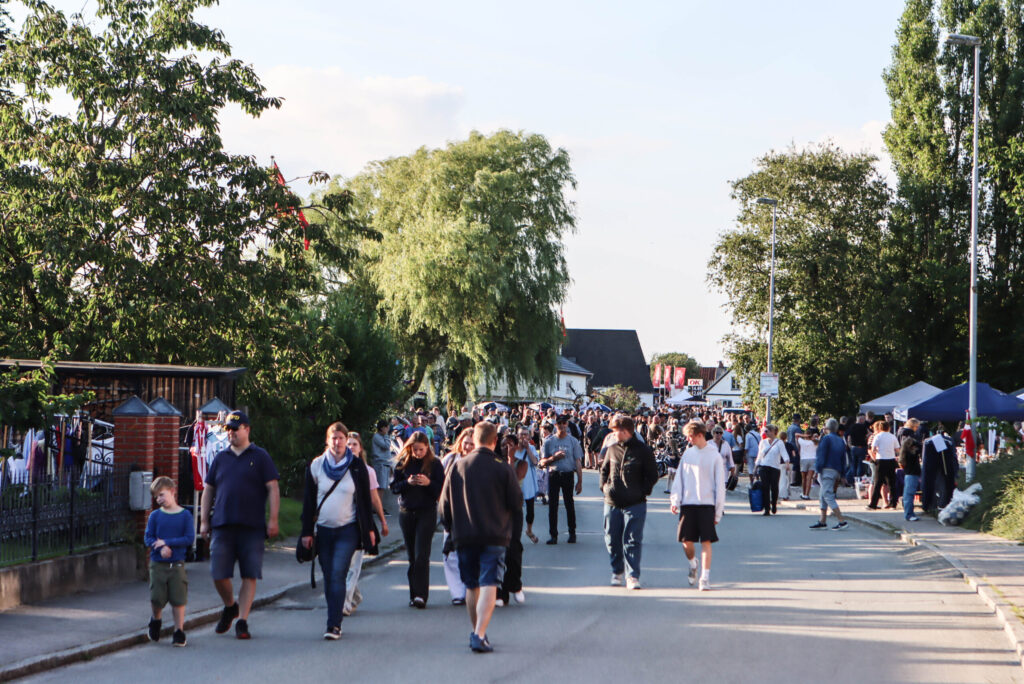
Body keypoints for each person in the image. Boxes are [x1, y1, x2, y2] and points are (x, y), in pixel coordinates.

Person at [438, 421, 523, 653]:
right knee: (489, 582)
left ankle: (476, 630)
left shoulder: (458, 466)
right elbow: (516, 502)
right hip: (494, 534)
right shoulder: (502, 467)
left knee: (471, 585)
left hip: (464, 535)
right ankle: (480, 633)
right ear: (495, 441)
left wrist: (450, 528)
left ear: (474, 439)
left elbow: (444, 505)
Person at [200, 410, 280, 640]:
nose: (231, 433)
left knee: (249, 574)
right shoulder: (221, 458)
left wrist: (273, 519)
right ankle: (230, 605)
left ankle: (242, 621)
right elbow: (209, 489)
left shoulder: (260, 456)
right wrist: (204, 521)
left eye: (235, 429)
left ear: (247, 429)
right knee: (218, 572)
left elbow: (273, 488)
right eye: (228, 429)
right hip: (223, 524)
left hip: (252, 526)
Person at [299, 422, 379, 640]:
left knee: (338, 573)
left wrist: (370, 529)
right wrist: (307, 531)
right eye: (333, 438)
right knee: (328, 575)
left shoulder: (355, 466)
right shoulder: (316, 465)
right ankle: (334, 614)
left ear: (346, 441)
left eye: (341, 438)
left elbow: (363, 501)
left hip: (348, 530)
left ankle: (333, 624)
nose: (337, 442)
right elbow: (308, 501)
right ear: (327, 441)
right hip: (323, 530)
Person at [599, 415, 659, 589]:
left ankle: (632, 575)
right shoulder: (611, 449)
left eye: (615, 431)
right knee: (612, 538)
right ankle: (616, 570)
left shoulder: (643, 451)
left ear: (625, 431)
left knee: (632, 539)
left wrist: (643, 491)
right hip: (612, 501)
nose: (613, 434)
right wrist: (604, 487)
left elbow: (653, 475)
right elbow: (604, 471)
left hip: (635, 503)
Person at [391, 431, 445, 608]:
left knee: (422, 554)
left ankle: (421, 595)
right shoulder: (403, 463)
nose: (418, 453)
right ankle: (413, 594)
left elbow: (441, 488)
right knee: (412, 557)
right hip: (407, 512)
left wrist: (428, 483)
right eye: (415, 450)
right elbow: (394, 488)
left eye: (421, 450)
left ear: (427, 448)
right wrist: (408, 482)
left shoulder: (435, 464)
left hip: (426, 512)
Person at [670, 420, 725, 591]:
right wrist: (675, 499)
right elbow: (679, 478)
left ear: (699, 435)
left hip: (707, 504)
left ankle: (705, 578)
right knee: (686, 542)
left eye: (690, 437)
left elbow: (720, 485)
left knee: (706, 542)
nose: (688, 440)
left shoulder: (714, 455)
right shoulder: (688, 454)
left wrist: (718, 511)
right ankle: (693, 563)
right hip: (688, 502)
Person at [342, 432, 389, 616]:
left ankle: (344, 603)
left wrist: (383, 522)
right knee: (343, 565)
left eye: (355, 444)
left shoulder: (367, 471)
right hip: (341, 522)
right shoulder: (337, 468)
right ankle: (354, 596)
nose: (351, 447)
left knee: (353, 565)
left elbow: (375, 499)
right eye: (349, 444)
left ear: (361, 448)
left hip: (360, 522)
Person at [144, 476, 195, 647]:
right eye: (156, 497)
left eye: (162, 495)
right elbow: (148, 537)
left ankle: (178, 630)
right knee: (157, 597)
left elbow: (188, 538)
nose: (159, 499)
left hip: (177, 563)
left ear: (172, 492)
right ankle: (156, 619)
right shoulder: (155, 516)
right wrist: (158, 547)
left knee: (178, 597)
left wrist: (167, 542)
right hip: (158, 563)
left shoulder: (185, 515)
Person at [441, 430, 476, 605]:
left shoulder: (479, 463)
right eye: (466, 442)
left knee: (470, 553)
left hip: (473, 514)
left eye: (472, 443)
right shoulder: (450, 460)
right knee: (450, 554)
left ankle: (470, 588)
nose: (468, 447)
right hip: (453, 512)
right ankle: (457, 593)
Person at [539, 415, 584, 544]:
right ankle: (553, 535)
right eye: (559, 423)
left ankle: (572, 533)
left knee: (569, 504)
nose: (562, 425)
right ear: (555, 425)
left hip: (567, 474)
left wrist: (579, 481)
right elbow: (542, 462)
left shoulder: (573, 441)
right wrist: (553, 458)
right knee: (553, 506)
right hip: (554, 474)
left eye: (564, 423)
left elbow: (578, 461)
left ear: (567, 425)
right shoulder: (549, 442)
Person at [809, 419, 849, 530]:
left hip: (826, 469)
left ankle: (841, 520)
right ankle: (822, 520)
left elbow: (821, 455)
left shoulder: (826, 439)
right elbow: (843, 459)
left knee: (827, 495)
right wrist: (843, 474)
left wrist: (817, 470)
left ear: (826, 428)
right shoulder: (840, 440)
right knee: (822, 494)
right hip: (836, 470)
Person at [514, 426, 541, 545]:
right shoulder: (513, 448)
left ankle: (529, 530)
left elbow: (535, 462)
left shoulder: (531, 448)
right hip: (516, 484)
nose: (523, 437)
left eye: (526, 434)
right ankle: (515, 535)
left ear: (529, 437)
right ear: (517, 436)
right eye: (521, 434)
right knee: (516, 512)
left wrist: (528, 449)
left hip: (528, 483)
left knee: (530, 512)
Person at [755, 425, 787, 516]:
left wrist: (787, 462)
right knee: (765, 487)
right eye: (765, 431)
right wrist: (756, 466)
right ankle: (766, 508)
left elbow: (784, 453)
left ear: (773, 432)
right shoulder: (763, 442)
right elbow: (759, 455)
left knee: (774, 487)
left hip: (775, 467)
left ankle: (774, 504)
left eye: (767, 431)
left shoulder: (779, 442)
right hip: (764, 466)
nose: (765, 433)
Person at [868, 420, 898, 510]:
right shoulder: (893, 436)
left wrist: (879, 450)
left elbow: (873, 449)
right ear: (888, 427)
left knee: (878, 483)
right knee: (891, 483)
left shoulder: (878, 436)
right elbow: (897, 450)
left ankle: (873, 504)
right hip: (891, 460)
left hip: (881, 460)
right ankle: (893, 504)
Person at [899, 429, 922, 522]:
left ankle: (909, 513)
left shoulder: (905, 454)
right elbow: (920, 447)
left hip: (909, 474)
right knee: (909, 495)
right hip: (912, 474)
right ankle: (908, 514)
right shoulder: (911, 454)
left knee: (908, 494)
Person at [371, 420, 394, 507]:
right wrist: (387, 435)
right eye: (387, 427)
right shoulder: (377, 437)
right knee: (380, 486)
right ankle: (377, 506)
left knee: (383, 486)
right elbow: (386, 446)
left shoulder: (382, 436)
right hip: (380, 463)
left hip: (385, 463)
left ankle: (379, 505)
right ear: (382, 428)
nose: (388, 429)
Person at [797, 432, 818, 500]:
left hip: (803, 459)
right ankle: (807, 494)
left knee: (804, 478)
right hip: (813, 459)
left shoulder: (802, 442)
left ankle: (803, 492)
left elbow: (796, 435)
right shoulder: (815, 443)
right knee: (809, 478)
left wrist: (803, 435)